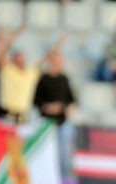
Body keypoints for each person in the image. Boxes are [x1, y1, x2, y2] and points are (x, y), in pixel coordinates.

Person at [33, 48, 76, 176]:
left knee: (64, 150)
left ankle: (64, 176)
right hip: (46, 122)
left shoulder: (64, 79)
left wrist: (63, 107)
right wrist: (47, 107)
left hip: (62, 121)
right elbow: (36, 100)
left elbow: (71, 100)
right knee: (47, 152)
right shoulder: (43, 79)